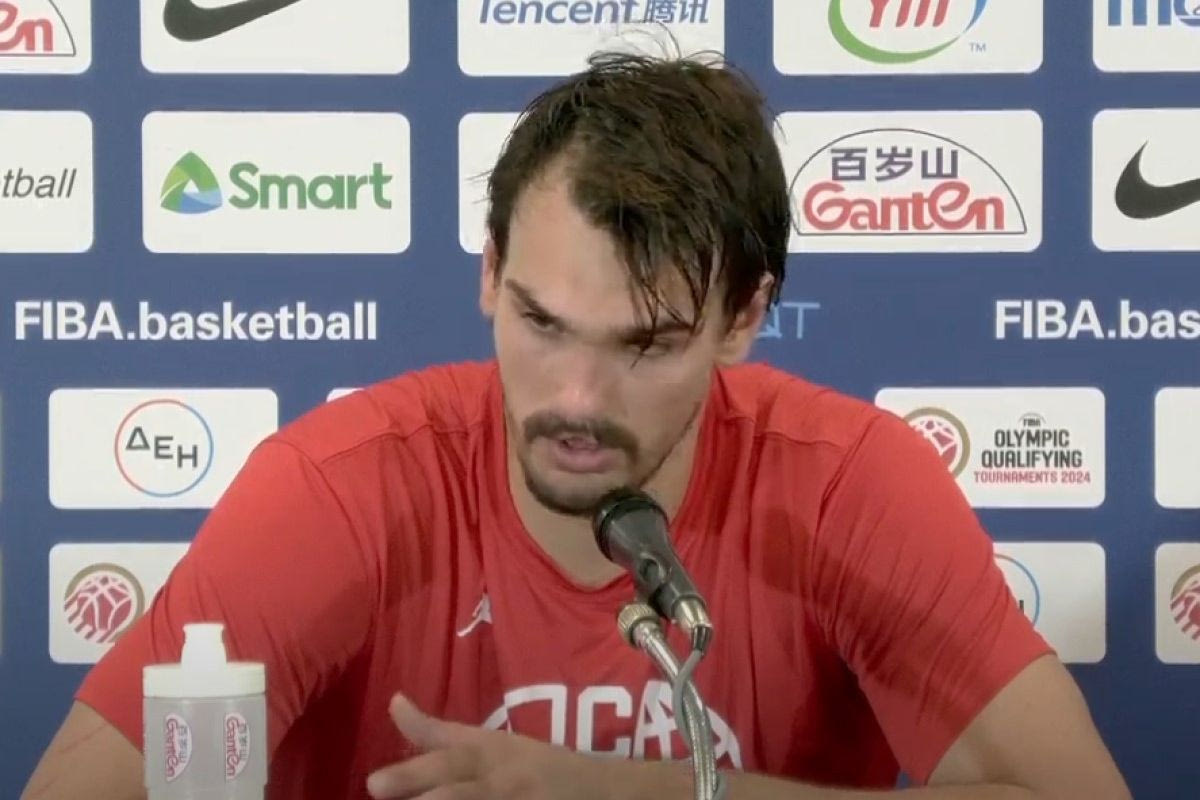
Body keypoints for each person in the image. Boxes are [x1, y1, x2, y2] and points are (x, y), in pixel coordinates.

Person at [23, 50, 1131, 800]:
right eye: (542, 322)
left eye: (645, 344)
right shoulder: (341, 488)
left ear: (744, 317)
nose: (578, 400)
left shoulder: (847, 484)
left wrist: (619, 788)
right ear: (490, 274)